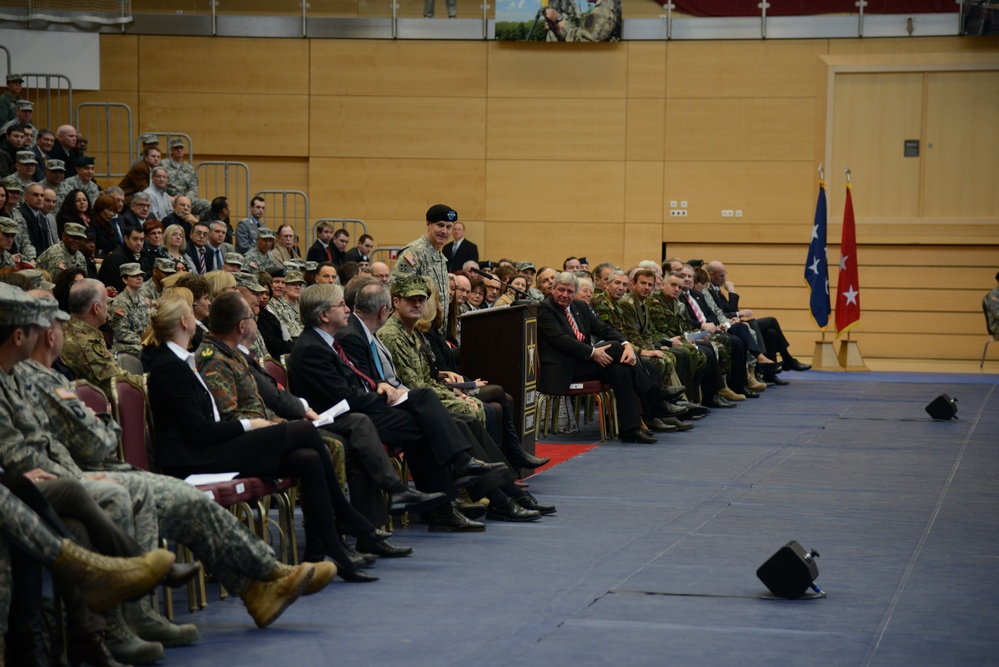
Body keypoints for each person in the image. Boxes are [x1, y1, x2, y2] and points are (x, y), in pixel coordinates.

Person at [146, 289, 381, 582]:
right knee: (303, 430)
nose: (198, 318)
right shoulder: (169, 367)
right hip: (195, 457)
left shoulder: (183, 361)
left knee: (307, 458)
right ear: (184, 322)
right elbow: (199, 431)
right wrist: (251, 425)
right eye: (192, 314)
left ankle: (332, 551)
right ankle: (346, 517)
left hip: (211, 446)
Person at [288, 283, 518, 530]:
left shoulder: (327, 341)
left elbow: (355, 380)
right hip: (346, 419)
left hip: (360, 410)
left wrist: (379, 385)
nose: (348, 309)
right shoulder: (314, 348)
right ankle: (453, 492)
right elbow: (343, 396)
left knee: (429, 408)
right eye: (342, 304)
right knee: (428, 413)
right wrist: (384, 395)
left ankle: (448, 501)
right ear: (324, 315)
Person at [538, 271, 671, 444]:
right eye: (561, 290)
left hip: (583, 364)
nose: (565, 295)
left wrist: (627, 345)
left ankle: (631, 429)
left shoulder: (580, 306)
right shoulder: (544, 309)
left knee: (621, 371)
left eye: (570, 292)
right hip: (563, 369)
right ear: (553, 289)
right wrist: (593, 353)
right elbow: (560, 340)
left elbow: (604, 329)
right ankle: (654, 392)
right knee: (615, 348)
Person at [392, 204, 455, 331]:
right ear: (428, 224)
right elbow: (395, 286)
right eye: (440, 225)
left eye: (449, 227)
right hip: (417, 330)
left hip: (436, 330)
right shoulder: (415, 252)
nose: (445, 231)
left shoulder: (439, 255)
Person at [97, 224, 145, 293]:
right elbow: (121, 286)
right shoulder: (115, 258)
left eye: (142, 240)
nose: (139, 243)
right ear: (126, 238)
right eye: (135, 239)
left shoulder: (142, 254)